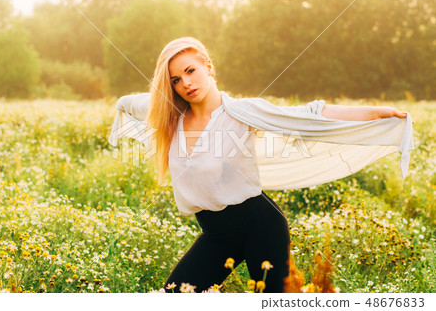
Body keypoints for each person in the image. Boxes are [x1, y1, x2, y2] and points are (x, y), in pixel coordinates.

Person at [110, 37, 411, 293]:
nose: (185, 83)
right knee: (173, 297)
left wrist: (376, 113)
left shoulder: (241, 112)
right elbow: (128, 101)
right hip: (217, 236)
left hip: (260, 226)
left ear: (209, 67)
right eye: (175, 79)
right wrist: (122, 106)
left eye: (191, 71)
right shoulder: (169, 115)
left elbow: (309, 115)